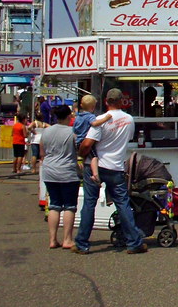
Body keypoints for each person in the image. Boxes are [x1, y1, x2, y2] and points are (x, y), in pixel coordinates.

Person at [73, 89, 146, 255]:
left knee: (89, 204)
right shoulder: (129, 119)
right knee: (123, 204)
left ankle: (82, 243)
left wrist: (81, 155)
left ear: (106, 101)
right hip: (116, 166)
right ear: (122, 101)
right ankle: (133, 242)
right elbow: (128, 139)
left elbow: (86, 144)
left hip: (95, 165)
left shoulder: (99, 120)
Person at [40, 105, 80, 249]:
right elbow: (79, 149)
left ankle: (52, 240)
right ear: (69, 116)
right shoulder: (72, 132)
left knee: (54, 206)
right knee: (70, 206)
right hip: (67, 171)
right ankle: (67, 239)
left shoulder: (47, 131)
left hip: (50, 170)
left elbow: (42, 152)